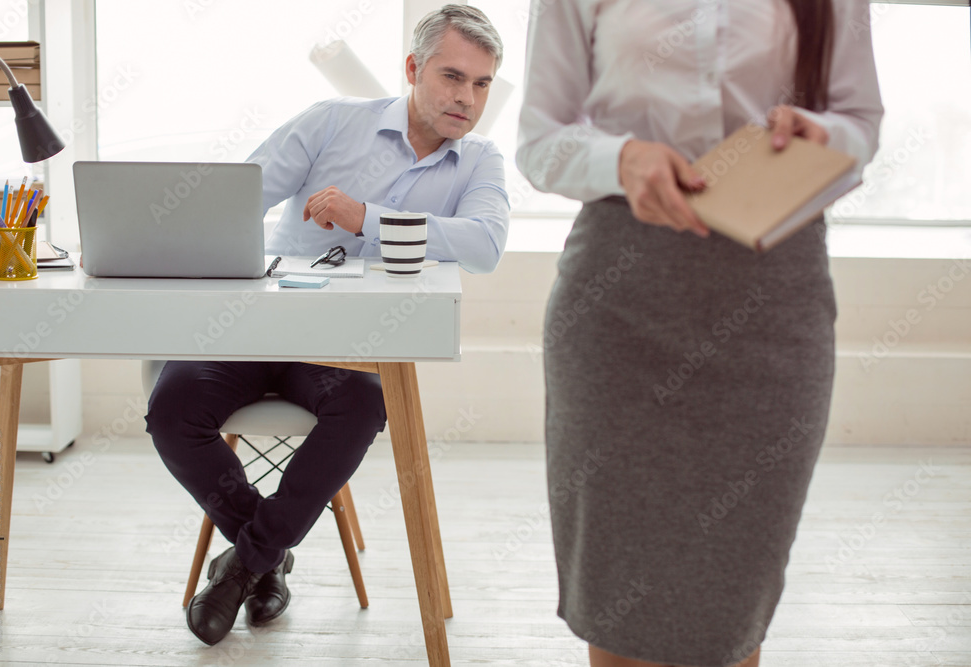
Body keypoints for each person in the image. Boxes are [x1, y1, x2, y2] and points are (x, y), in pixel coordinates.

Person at [516, 1, 882, 666]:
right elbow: (539, 140)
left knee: (730, 606)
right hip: (619, 303)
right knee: (618, 595)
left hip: (775, 302)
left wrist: (822, 135)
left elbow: (860, 122)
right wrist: (620, 158)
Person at [145, 5, 507, 646]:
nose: (467, 98)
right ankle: (264, 557)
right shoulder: (332, 121)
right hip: (256, 327)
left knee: (364, 405)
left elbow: (483, 245)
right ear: (413, 68)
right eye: (454, 77)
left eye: (481, 84)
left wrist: (366, 215)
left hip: (347, 352)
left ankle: (240, 569)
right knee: (172, 408)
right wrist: (151, 243)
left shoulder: (478, 161)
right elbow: (238, 197)